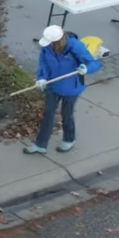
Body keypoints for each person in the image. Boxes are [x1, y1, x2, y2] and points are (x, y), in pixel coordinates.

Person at [25, 25, 101, 154]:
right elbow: (43, 64)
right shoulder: (47, 48)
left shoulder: (76, 47)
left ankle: (69, 140)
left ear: (58, 41)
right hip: (53, 86)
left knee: (67, 114)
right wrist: (41, 78)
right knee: (48, 114)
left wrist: (86, 69)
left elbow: (94, 63)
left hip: (72, 87)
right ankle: (40, 144)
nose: (47, 45)